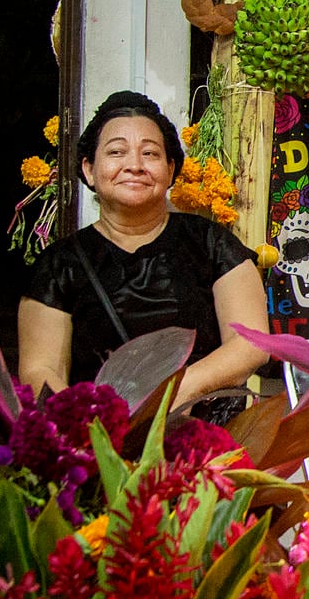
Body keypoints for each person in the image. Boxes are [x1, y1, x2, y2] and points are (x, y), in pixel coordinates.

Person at [19, 91, 270, 412]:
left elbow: (250, 344)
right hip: (101, 438)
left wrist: (176, 392)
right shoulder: (58, 265)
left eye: (150, 153)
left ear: (170, 169)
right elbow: (41, 370)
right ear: (89, 169)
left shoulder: (213, 244)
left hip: (207, 441)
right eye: (116, 152)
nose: (134, 165)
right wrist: (89, 423)